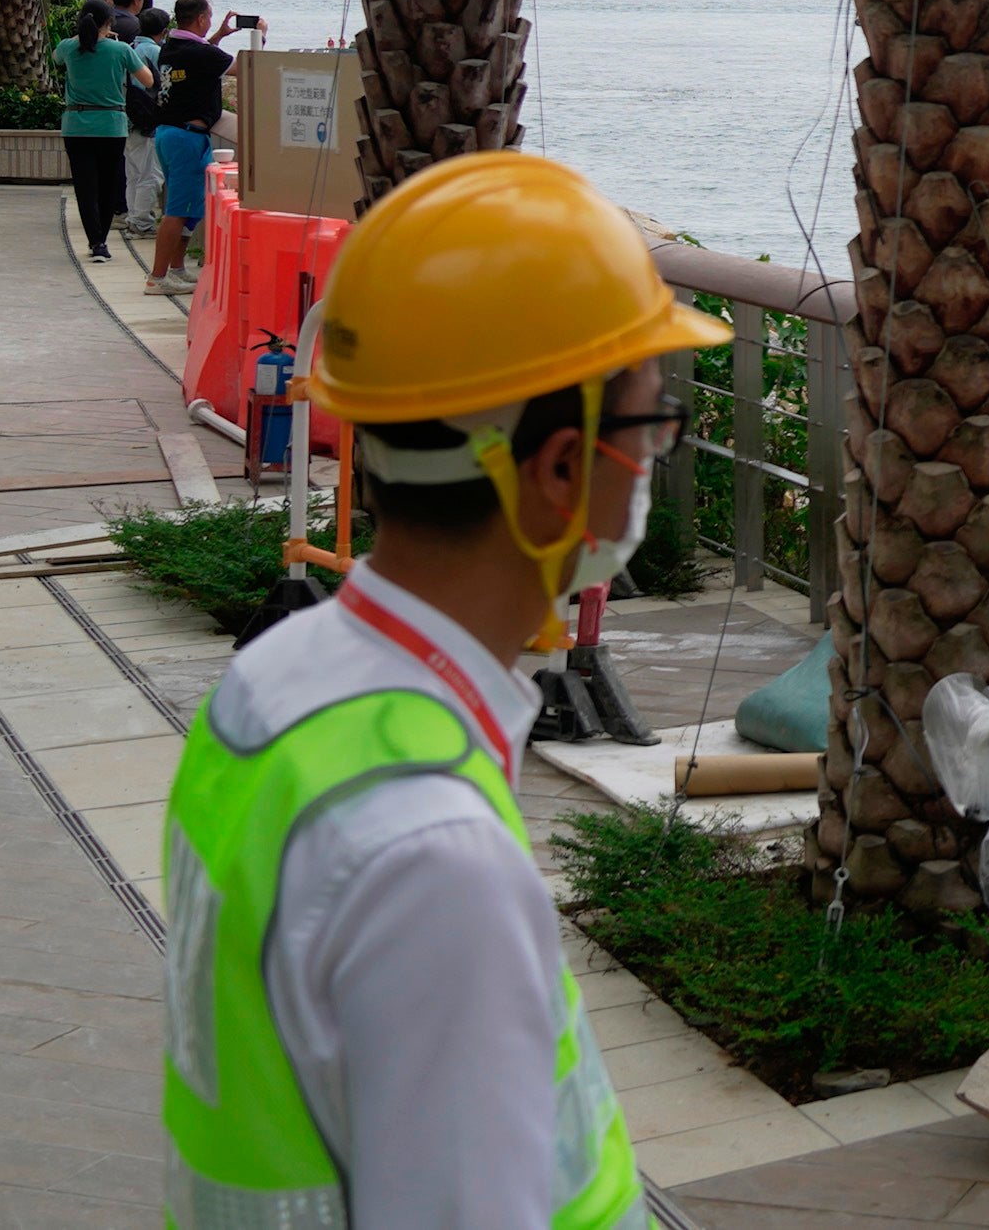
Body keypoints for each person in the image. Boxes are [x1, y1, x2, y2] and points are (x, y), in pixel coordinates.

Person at [161, 149, 726, 1230]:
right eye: (649, 427)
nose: (654, 458)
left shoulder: (273, 682)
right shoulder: (433, 858)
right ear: (559, 471)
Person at [146, 0, 246, 295]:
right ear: (201, 18)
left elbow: (201, 56)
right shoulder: (200, 53)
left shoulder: (171, 47)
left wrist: (218, 36)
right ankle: (157, 278)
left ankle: (176, 269)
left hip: (171, 133)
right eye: (210, 17)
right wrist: (262, 36)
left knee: (191, 206)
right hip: (186, 137)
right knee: (177, 210)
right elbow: (243, 68)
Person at [51, 0, 154, 260]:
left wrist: (84, 36)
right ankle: (102, 242)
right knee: (108, 184)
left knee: (85, 187)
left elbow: (56, 58)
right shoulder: (120, 49)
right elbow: (148, 80)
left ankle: (94, 241)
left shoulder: (69, 47)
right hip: (111, 125)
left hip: (76, 125)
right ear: (109, 22)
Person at [111, 0, 163, 242]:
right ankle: (142, 222)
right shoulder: (154, 52)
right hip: (147, 121)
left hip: (126, 118)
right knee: (150, 175)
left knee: (133, 175)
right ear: (163, 31)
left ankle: (133, 219)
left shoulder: (129, 47)